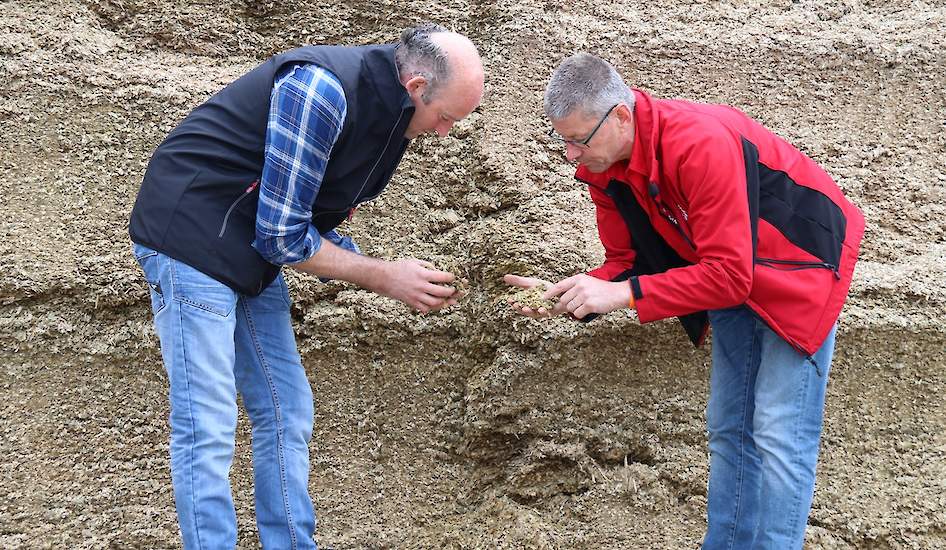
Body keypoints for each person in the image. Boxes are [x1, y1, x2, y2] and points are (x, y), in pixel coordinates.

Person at [128, 23, 484, 549]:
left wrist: (383, 267)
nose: (443, 132)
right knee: (209, 417)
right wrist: (385, 275)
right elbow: (281, 235)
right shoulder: (320, 89)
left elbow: (305, 213)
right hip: (191, 233)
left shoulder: (393, 118)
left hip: (247, 245)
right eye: (446, 116)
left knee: (285, 407)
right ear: (416, 87)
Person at [505, 52, 864, 549]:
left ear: (622, 116)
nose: (570, 154)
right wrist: (568, 293)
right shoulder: (604, 166)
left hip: (798, 269)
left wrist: (624, 293)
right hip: (728, 268)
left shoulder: (699, 144)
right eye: (561, 139)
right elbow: (626, 263)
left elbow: (728, 276)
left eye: (577, 139)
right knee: (728, 425)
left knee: (779, 431)